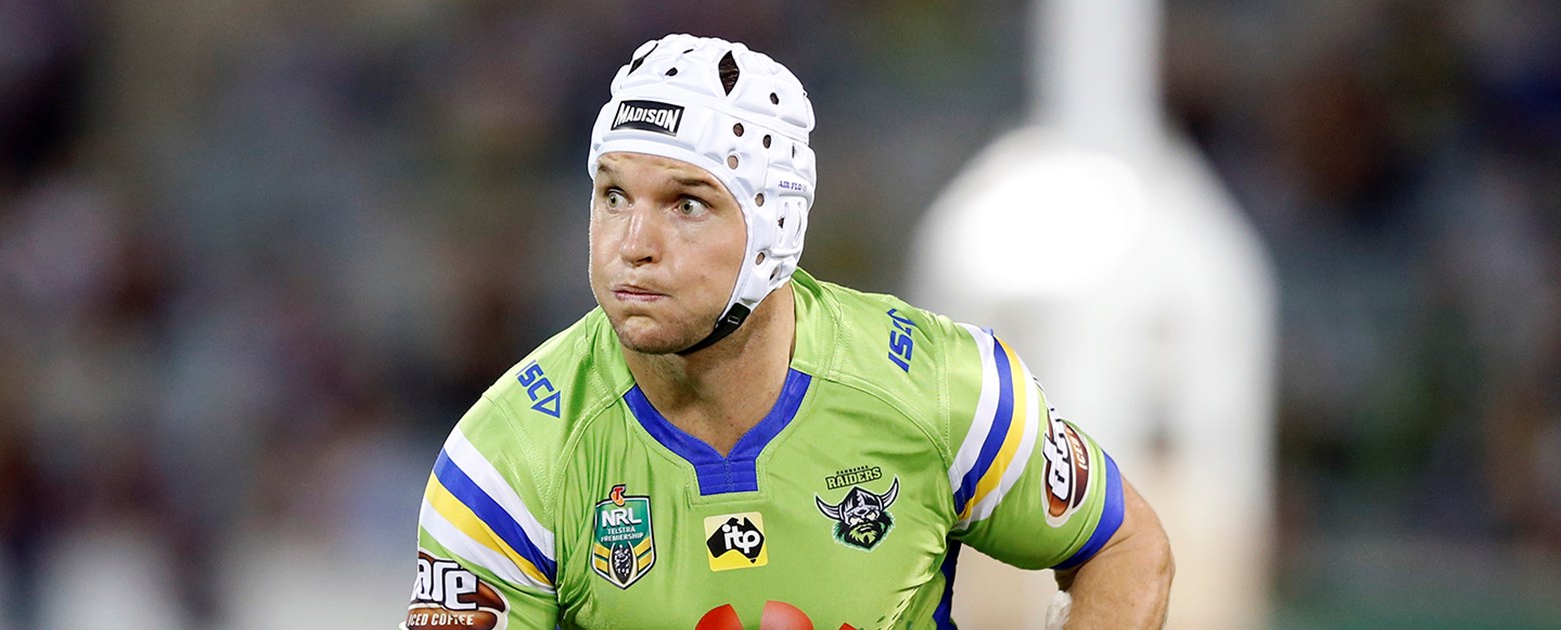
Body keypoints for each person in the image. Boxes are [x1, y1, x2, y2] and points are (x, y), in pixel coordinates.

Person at [406, 34, 1173, 629]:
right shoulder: (504, 465)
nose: (632, 244)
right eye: (613, 196)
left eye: (687, 204)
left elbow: (1125, 547)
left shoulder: (942, 387)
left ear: (776, 227)